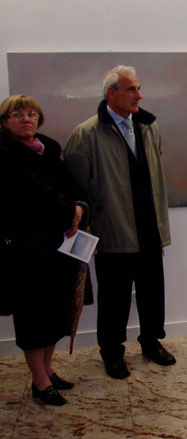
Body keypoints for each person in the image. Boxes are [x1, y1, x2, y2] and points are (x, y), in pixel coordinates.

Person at [64, 66, 175, 379]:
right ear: (111, 93)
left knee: (152, 292)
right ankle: (112, 353)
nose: (139, 95)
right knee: (114, 298)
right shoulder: (86, 134)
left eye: (139, 88)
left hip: (149, 228)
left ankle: (151, 342)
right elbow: (74, 189)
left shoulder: (149, 127)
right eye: (131, 89)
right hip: (112, 231)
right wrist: (88, 231)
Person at [0, 95, 86, 405]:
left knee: (54, 312)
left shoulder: (49, 151)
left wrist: (79, 207)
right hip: (25, 251)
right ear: (5, 121)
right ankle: (39, 381)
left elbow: (73, 190)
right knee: (33, 316)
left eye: (31, 114)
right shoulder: (4, 156)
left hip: (57, 248)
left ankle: (48, 370)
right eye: (17, 114)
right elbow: (27, 202)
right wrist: (67, 210)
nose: (26, 118)